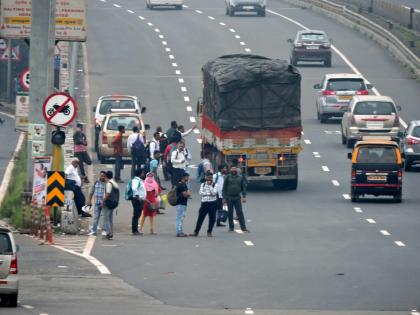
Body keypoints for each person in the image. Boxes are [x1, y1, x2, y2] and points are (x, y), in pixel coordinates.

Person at [222, 166, 249, 233]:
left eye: (235, 169)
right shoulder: (227, 177)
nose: (233, 170)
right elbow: (224, 188)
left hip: (237, 197)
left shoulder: (240, 177)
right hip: (229, 197)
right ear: (230, 170)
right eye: (232, 169)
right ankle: (231, 227)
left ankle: (243, 227)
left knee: (240, 212)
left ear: (237, 170)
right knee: (230, 213)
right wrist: (224, 198)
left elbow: (243, 188)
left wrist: (244, 197)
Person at [190, 171, 218, 237]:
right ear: (205, 177)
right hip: (204, 203)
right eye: (208, 177)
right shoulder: (203, 184)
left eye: (211, 177)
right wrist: (208, 194)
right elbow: (200, 193)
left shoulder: (215, 184)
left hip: (212, 203)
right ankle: (196, 232)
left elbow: (214, 193)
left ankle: (209, 232)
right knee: (200, 218)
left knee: (212, 218)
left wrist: (210, 186)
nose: (209, 179)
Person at [87, 171, 107, 236]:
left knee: (104, 217)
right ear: (99, 176)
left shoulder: (107, 184)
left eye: (103, 176)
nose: (102, 177)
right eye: (101, 176)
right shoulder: (96, 183)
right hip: (97, 203)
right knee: (96, 217)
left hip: (104, 204)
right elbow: (91, 192)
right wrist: (89, 201)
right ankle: (94, 231)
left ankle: (104, 230)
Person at [102, 171, 119, 240]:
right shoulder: (115, 183)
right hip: (114, 203)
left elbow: (107, 194)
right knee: (110, 219)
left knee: (106, 219)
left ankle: (109, 233)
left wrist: (103, 201)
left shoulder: (109, 183)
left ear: (106, 176)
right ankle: (111, 233)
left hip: (108, 203)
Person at [130, 168, 146, 235]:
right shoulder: (136, 180)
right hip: (137, 200)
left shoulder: (139, 180)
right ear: (140, 174)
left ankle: (135, 230)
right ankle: (134, 230)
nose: (143, 174)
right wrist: (138, 197)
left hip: (139, 200)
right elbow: (134, 188)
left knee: (137, 215)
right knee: (136, 215)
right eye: (142, 173)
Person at [175, 172, 191, 237]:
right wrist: (188, 194)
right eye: (187, 177)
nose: (188, 178)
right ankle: (178, 232)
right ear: (183, 177)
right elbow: (186, 194)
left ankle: (180, 231)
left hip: (182, 203)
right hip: (181, 203)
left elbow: (188, 193)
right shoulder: (181, 185)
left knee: (180, 217)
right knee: (180, 218)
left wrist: (188, 194)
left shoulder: (184, 184)